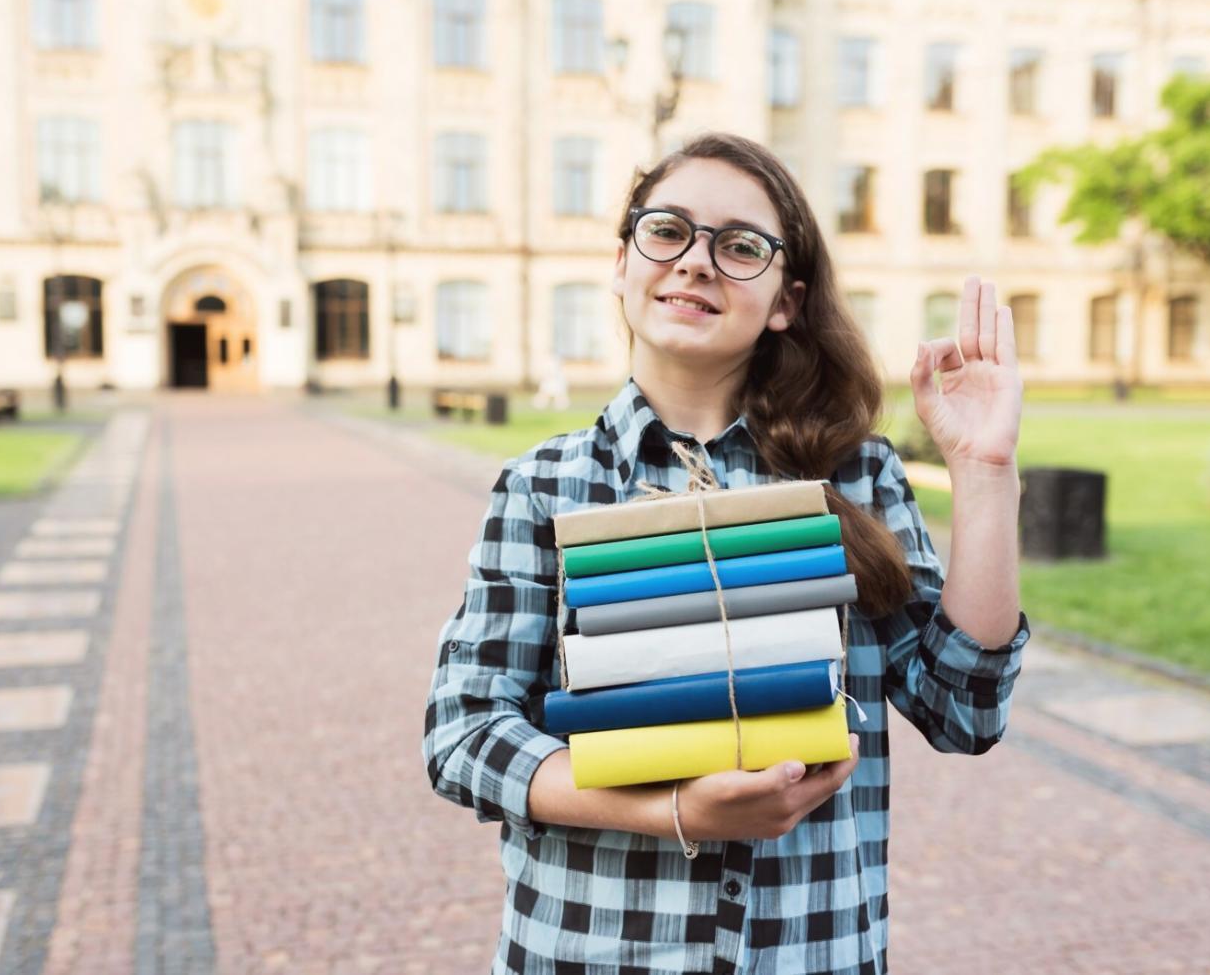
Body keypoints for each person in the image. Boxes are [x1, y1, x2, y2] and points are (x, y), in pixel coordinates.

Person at [422, 132, 1027, 975]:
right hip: (588, 953)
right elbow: (463, 734)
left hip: (811, 954)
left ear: (785, 300)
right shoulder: (544, 485)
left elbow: (963, 713)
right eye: (667, 230)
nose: (695, 261)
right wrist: (673, 810)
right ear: (622, 263)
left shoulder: (856, 476)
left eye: (740, 246)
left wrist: (984, 472)